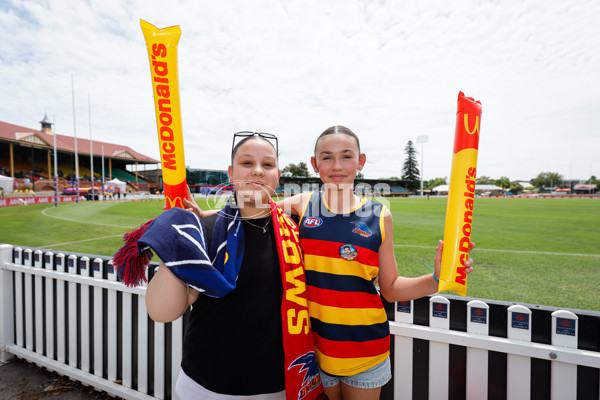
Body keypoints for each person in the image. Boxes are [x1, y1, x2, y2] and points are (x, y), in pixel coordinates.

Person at [186, 126, 475, 400]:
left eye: (346, 156)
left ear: (360, 161)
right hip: (315, 353)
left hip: (366, 353)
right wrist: (205, 216)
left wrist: (436, 279)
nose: (337, 166)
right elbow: (251, 210)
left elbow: (391, 288)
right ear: (315, 164)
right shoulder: (302, 203)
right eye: (327, 157)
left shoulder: (380, 216)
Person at [143, 132, 325, 400]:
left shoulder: (298, 231)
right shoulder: (206, 230)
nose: (258, 171)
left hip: (281, 386)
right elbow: (162, 312)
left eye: (268, 165)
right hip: (207, 388)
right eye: (247, 163)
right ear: (231, 172)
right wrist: (178, 239)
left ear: (278, 174)